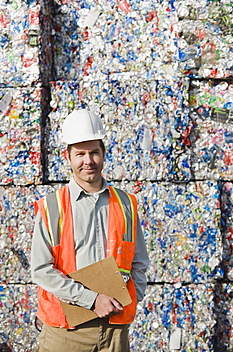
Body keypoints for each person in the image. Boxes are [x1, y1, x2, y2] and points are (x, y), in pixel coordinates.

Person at [31, 109, 149, 352]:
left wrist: (127, 299)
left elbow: (139, 263)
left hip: (115, 329)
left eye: (94, 152)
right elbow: (41, 270)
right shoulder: (52, 207)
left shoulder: (126, 204)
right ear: (68, 156)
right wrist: (92, 300)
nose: (88, 161)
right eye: (80, 154)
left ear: (103, 154)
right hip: (66, 331)